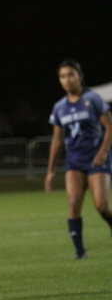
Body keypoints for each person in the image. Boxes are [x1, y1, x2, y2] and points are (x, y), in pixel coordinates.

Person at [45, 59, 112, 259]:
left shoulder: (93, 99)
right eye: (62, 77)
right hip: (74, 162)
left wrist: (103, 152)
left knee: (101, 205)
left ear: (80, 77)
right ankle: (80, 251)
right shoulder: (59, 107)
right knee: (73, 202)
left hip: (96, 160)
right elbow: (57, 140)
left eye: (70, 75)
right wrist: (50, 172)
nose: (67, 80)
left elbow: (109, 128)